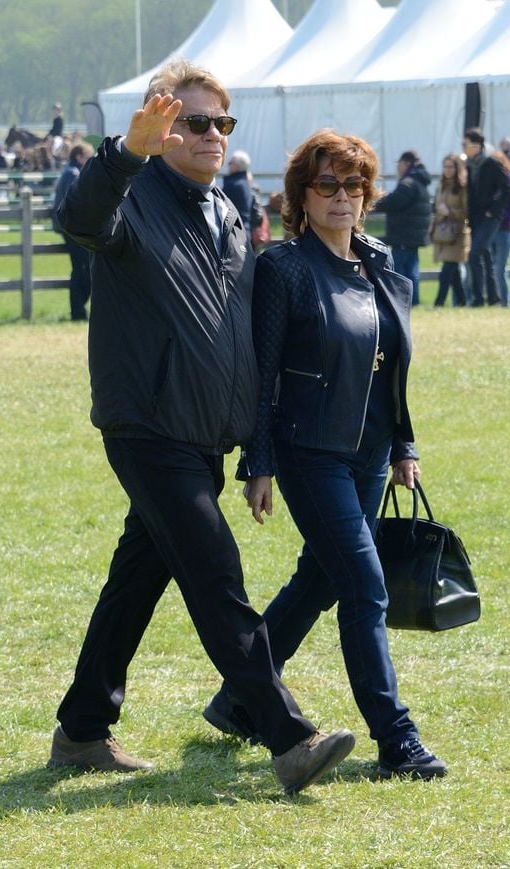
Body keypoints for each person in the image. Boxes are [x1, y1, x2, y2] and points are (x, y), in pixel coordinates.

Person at [47, 59, 354, 795]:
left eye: (223, 122)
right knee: (216, 575)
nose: (211, 134)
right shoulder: (131, 196)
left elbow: (242, 340)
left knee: (136, 580)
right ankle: (288, 735)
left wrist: (256, 444)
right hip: (147, 427)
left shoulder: (224, 211)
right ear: (161, 123)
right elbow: (79, 220)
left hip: (204, 434)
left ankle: (83, 727)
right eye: (194, 121)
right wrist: (126, 152)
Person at [203, 129, 448, 780]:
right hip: (309, 453)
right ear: (302, 198)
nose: (343, 198)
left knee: (319, 580)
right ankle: (397, 740)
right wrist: (258, 463)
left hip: (370, 454)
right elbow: (263, 374)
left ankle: (237, 699)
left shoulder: (379, 261)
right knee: (364, 588)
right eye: (327, 185)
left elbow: (392, 363)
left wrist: (403, 443)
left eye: (355, 184)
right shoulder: (283, 269)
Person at [372, 149, 431, 305]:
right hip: (413, 236)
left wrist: (373, 203)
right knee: (412, 270)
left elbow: (393, 201)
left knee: (399, 273)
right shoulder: (419, 182)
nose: (398, 168)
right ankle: (414, 301)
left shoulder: (408, 184)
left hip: (404, 235)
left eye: (399, 164)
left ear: (406, 163)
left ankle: (402, 301)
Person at [462, 128, 510, 306]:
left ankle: (478, 298)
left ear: (477, 146)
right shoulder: (468, 165)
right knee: (485, 255)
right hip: (475, 218)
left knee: (474, 254)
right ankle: (493, 297)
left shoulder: (492, 164)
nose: (464, 148)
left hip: (490, 218)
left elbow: (507, 191)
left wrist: (493, 210)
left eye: (466, 145)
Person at [52, 143, 95, 320]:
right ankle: (78, 311)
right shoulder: (74, 174)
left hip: (69, 226)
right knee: (81, 269)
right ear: (78, 156)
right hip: (72, 228)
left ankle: (78, 310)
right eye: (87, 157)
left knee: (81, 268)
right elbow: (78, 201)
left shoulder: (70, 172)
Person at [431, 153, 469, 307]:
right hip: (443, 232)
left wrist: (450, 212)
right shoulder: (441, 186)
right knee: (454, 274)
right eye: (445, 166)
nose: (447, 170)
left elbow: (466, 211)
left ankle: (439, 302)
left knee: (447, 270)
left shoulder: (461, 187)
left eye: (451, 167)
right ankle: (462, 301)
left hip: (457, 233)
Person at [490, 150, 510, 307]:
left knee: (500, 268)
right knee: (495, 267)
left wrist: (496, 213)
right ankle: (503, 297)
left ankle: (505, 301)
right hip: (494, 228)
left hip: (505, 228)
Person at [222, 149, 254, 237]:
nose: (228, 166)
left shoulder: (234, 185)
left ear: (237, 166)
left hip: (234, 232)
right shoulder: (246, 182)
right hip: (245, 230)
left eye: (230, 163)